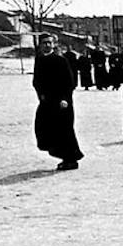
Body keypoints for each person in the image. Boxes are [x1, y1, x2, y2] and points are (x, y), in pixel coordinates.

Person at [32, 33, 82, 171]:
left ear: (54, 44)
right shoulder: (39, 60)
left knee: (64, 131)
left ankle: (71, 159)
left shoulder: (60, 60)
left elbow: (69, 82)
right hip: (47, 102)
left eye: (49, 42)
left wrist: (65, 99)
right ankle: (63, 156)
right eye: (44, 43)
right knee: (45, 128)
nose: (47, 45)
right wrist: (41, 95)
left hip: (61, 103)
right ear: (40, 45)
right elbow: (36, 81)